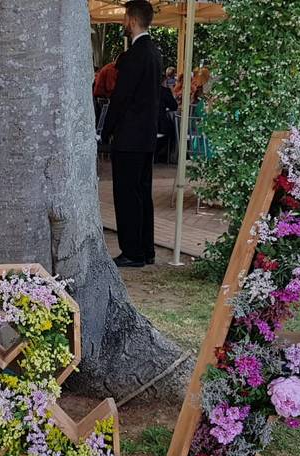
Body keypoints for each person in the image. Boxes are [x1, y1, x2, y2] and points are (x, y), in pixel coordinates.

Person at [102, 0, 162, 269]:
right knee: (142, 193)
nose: (123, 24)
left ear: (132, 19)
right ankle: (146, 248)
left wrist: (106, 130)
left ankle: (132, 251)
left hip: (128, 137)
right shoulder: (155, 53)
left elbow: (120, 97)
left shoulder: (134, 56)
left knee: (126, 195)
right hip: (147, 136)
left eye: (125, 18)